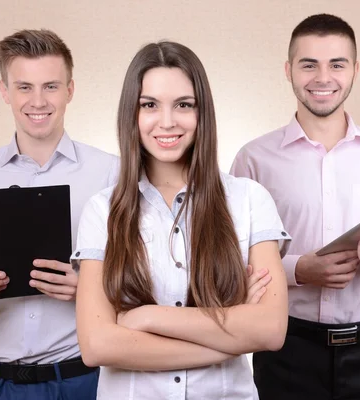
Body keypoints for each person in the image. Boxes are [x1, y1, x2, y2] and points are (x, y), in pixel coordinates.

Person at [71, 41, 290, 400]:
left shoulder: (249, 200)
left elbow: (270, 329)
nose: (168, 121)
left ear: (202, 112)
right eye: (150, 105)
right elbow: (98, 345)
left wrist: (147, 318)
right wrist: (228, 338)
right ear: (132, 113)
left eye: (183, 105)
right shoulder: (102, 210)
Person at [231, 13, 360, 400]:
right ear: (289, 70)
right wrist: (298, 270)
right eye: (309, 64)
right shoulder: (253, 160)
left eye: (336, 64)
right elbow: (228, 262)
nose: (323, 78)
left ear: (354, 70)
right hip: (285, 351)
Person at [0, 29, 118, 399]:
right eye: (24, 87)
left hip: (80, 380)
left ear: (70, 90)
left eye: (50, 86)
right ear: (5, 92)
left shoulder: (111, 173)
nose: (38, 101)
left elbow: (140, 279)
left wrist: (90, 288)